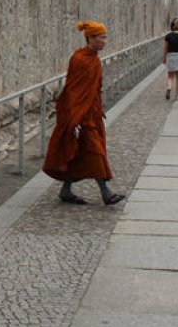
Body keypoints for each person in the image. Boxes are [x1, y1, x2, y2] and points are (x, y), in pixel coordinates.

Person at [43, 21, 125, 206]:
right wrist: (75, 118)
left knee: (78, 154)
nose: (105, 41)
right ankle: (106, 193)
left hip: (92, 113)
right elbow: (73, 90)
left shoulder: (93, 59)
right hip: (81, 116)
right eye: (101, 37)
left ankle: (66, 190)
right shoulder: (80, 59)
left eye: (105, 37)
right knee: (95, 152)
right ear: (91, 38)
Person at [163, 20, 178, 100]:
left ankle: (169, 87)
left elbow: (166, 48)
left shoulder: (168, 36)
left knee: (170, 76)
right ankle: (177, 95)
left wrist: (164, 58)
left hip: (170, 55)